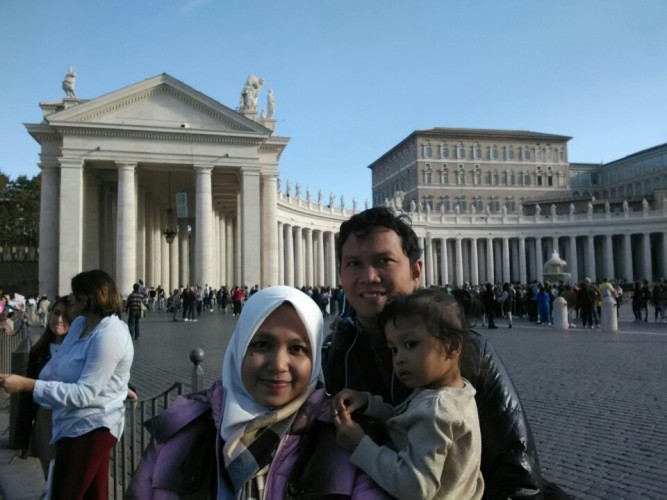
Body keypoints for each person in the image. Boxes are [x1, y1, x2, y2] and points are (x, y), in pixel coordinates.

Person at [323, 207, 565, 499]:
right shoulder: (331, 354)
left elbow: (516, 472)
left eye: (383, 260)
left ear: (416, 271)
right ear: (341, 274)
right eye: (353, 263)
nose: (369, 276)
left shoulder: (469, 353)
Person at [127, 285, 388, 499]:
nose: (278, 364)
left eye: (297, 349)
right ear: (239, 348)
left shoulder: (350, 440)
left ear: (315, 358)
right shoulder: (180, 428)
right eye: (262, 344)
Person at [332, 289, 484, 499]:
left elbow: (414, 487)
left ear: (452, 346)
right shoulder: (457, 392)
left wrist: (360, 444)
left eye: (410, 344)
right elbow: (408, 422)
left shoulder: (438, 409)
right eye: (393, 349)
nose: (399, 358)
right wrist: (369, 403)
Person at [0, 269, 134, 500]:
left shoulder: (109, 336)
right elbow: (58, 365)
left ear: (89, 298)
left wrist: (28, 385)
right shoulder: (81, 323)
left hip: (91, 426)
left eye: (75, 294)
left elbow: (84, 394)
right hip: (70, 423)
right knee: (93, 495)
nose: (70, 298)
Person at [14, 297, 72, 483]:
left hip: (71, 422)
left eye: (66, 316)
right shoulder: (39, 351)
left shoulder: (82, 349)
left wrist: (124, 387)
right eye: (56, 313)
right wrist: (22, 437)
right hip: (45, 421)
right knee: (50, 480)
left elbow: (98, 375)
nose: (59, 319)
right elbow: (28, 395)